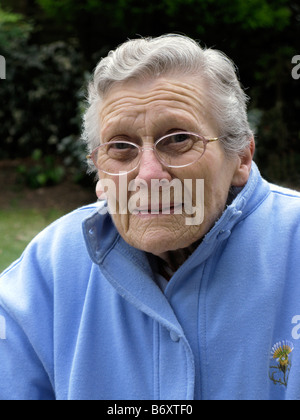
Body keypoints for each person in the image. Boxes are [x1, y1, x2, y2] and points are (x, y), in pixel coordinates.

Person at [0, 34, 300, 401]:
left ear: (240, 157)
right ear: (99, 173)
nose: (148, 175)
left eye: (177, 139)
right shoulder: (48, 270)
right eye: (121, 147)